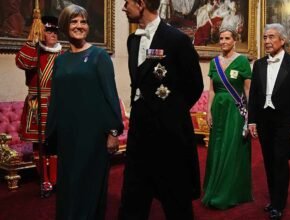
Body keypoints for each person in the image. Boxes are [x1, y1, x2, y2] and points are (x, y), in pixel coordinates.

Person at [119, 0, 204, 219]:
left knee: (176, 197)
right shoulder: (133, 41)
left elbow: (195, 84)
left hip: (168, 132)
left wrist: (171, 112)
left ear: (141, 3)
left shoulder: (177, 40)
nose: (123, 8)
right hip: (139, 130)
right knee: (133, 194)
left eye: (126, 2)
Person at [45, 4, 124, 219]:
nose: (79, 26)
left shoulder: (99, 56)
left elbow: (110, 96)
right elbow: (56, 99)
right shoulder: (60, 60)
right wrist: (51, 134)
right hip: (67, 135)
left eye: (83, 22)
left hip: (93, 136)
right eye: (74, 21)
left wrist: (113, 132)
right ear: (64, 25)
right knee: (68, 185)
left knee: (89, 186)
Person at [247, 23, 290, 220]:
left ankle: (279, 203)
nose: (267, 41)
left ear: (282, 40)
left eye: (271, 37)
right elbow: (254, 96)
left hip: (286, 122)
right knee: (269, 161)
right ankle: (274, 199)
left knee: (280, 161)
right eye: (265, 37)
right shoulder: (259, 64)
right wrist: (252, 121)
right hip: (265, 122)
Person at [202, 27, 252, 209]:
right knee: (216, 149)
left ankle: (230, 192)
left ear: (235, 40)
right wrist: (208, 112)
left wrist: (250, 116)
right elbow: (212, 89)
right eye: (221, 38)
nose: (223, 41)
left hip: (235, 111)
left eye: (227, 38)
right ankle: (214, 189)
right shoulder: (214, 63)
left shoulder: (242, 61)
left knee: (232, 149)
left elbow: (248, 90)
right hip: (218, 110)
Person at [15, 15, 62, 194]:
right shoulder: (34, 54)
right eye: (48, 31)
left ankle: (56, 178)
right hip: (37, 104)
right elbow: (22, 62)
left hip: (56, 103)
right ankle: (45, 179)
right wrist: (33, 40)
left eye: (55, 32)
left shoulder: (62, 55)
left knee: (56, 143)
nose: (52, 35)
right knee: (39, 144)